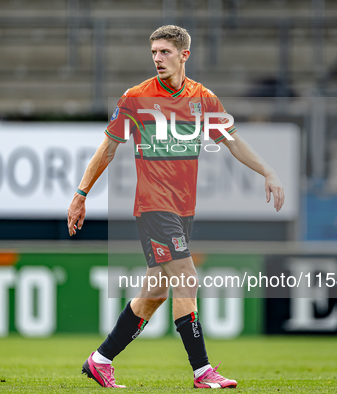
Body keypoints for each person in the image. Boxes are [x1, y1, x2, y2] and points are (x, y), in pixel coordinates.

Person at [67, 25, 285, 389]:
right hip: (153, 208)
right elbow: (107, 148)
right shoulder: (135, 98)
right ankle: (202, 371)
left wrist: (268, 170)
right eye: (153, 52)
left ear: (184, 55)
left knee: (155, 292)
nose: (157, 59)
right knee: (186, 278)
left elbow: (232, 142)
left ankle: (99, 360)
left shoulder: (203, 99)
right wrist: (81, 194)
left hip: (184, 211)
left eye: (165, 52)